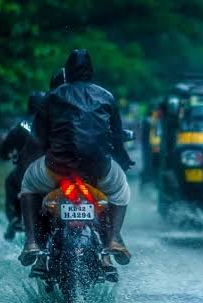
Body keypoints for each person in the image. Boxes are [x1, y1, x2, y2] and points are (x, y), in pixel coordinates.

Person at [18, 49, 134, 270]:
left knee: (28, 185)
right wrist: (124, 161)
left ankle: (31, 243)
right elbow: (117, 137)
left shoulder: (53, 96)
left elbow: (37, 138)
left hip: (57, 167)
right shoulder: (106, 96)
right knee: (121, 190)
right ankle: (114, 239)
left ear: (68, 72)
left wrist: (33, 159)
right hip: (97, 169)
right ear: (90, 71)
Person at [0, 69, 65, 240]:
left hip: (37, 172)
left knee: (11, 181)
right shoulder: (61, 118)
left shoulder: (23, 125)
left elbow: (6, 148)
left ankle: (15, 219)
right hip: (64, 169)